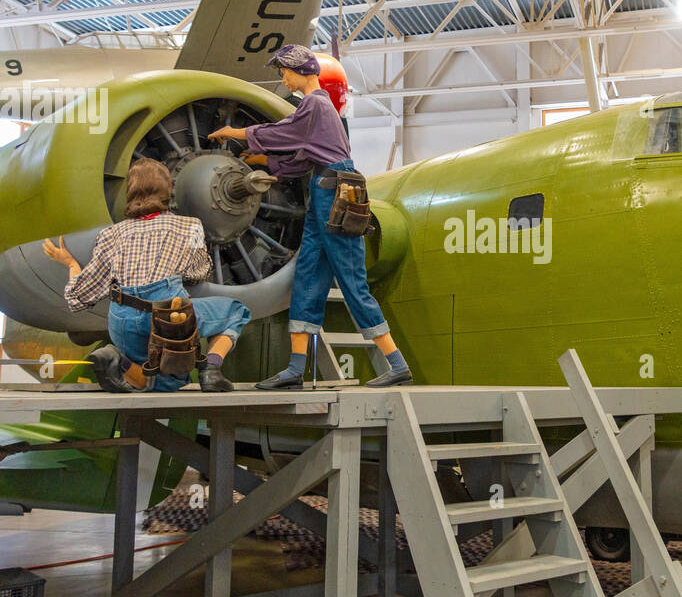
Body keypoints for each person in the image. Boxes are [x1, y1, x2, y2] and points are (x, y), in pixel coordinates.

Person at [207, 43, 412, 389]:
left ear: (301, 71)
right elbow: (304, 157)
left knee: (351, 281)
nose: (283, 79)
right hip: (322, 189)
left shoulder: (315, 105)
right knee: (308, 277)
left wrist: (238, 134)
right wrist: (270, 167)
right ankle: (294, 370)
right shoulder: (317, 109)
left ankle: (397, 364)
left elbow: (283, 134)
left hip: (335, 194)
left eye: (284, 72)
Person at [42, 157, 249, 393]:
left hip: (123, 320)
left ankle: (119, 360)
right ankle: (211, 369)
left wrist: (70, 263)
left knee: (158, 377)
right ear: (167, 190)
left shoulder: (111, 234)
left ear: (130, 192)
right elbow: (199, 272)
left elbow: (78, 297)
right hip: (169, 317)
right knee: (236, 311)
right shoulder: (190, 226)